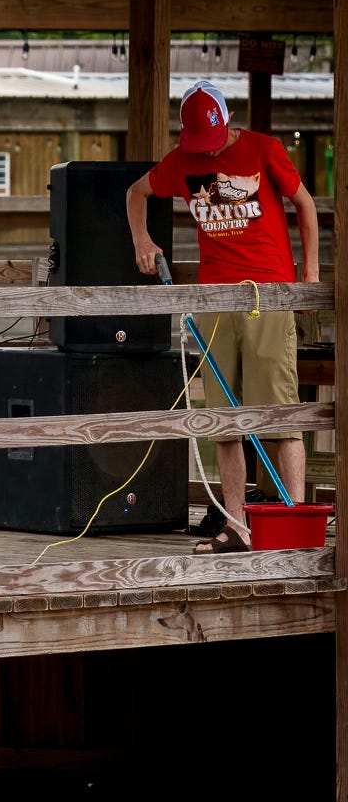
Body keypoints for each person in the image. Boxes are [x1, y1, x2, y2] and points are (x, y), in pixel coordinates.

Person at [126, 79, 319, 554]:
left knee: (280, 412)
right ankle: (236, 525)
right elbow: (135, 192)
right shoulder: (182, 161)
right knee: (223, 417)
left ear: (227, 125)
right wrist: (142, 240)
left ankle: (290, 525)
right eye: (199, 146)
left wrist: (308, 276)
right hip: (215, 298)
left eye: (213, 144)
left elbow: (306, 204)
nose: (208, 155)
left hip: (267, 292)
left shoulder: (264, 149)